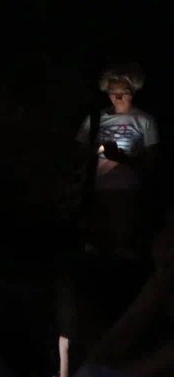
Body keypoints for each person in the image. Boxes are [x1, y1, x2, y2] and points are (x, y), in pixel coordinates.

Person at [75, 64, 161, 258]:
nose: (118, 97)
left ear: (133, 92)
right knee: (96, 244)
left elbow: (153, 161)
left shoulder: (145, 120)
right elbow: (78, 151)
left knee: (122, 244)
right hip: (96, 188)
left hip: (129, 190)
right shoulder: (95, 119)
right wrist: (97, 150)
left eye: (125, 92)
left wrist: (122, 158)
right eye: (113, 92)